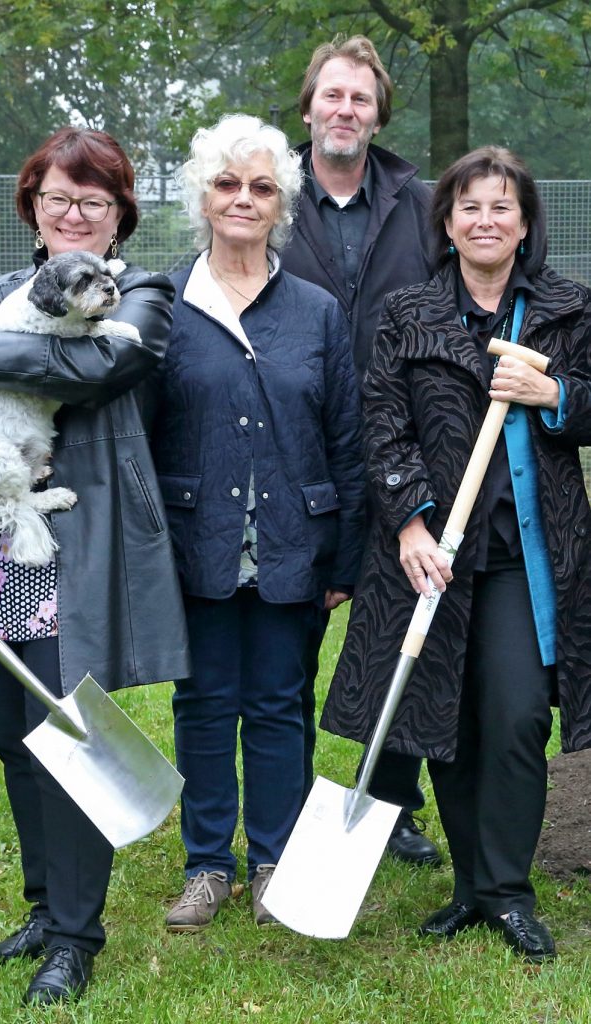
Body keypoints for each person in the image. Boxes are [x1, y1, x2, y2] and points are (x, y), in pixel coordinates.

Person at [0, 126, 189, 1006]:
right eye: (56, 199)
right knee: (12, 733)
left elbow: (105, 359)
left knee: (65, 735)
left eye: (94, 202)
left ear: (120, 219)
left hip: (82, 551)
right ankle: (43, 906)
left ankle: (76, 937)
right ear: (33, 208)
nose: (73, 216)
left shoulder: (140, 293)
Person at [322, 146, 591, 963]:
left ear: (524, 224)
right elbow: (382, 422)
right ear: (447, 222)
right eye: (469, 206)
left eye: (501, 207)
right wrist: (408, 522)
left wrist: (558, 397)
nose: (485, 220)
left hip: (524, 555)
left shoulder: (567, 310)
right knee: (448, 717)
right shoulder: (408, 313)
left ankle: (509, 892)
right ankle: (471, 888)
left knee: (513, 715)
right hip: (434, 554)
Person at [151, 113, 364, 932]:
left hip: (291, 545)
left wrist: (342, 555)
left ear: (283, 206)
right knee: (202, 703)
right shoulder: (163, 303)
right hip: (193, 542)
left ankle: (275, 859)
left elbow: (344, 434)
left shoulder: (315, 311)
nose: (244, 199)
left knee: (280, 702)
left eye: (262, 187)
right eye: (228, 184)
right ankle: (208, 865)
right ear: (203, 197)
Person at [282, 34, 440, 867]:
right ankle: (286, 808)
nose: (345, 111)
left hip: (402, 447)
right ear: (308, 106)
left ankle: (393, 800)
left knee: (401, 638)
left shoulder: (422, 204)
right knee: (291, 643)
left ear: (378, 118)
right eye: (332, 96)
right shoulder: (266, 194)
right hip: (296, 452)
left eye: (362, 100)